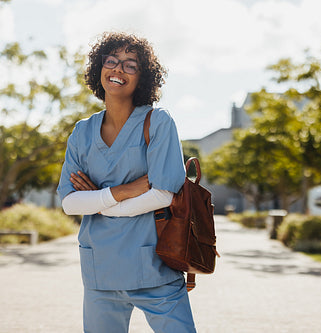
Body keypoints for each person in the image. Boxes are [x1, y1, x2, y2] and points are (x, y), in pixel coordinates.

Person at [57, 32, 196, 333]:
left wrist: (101, 203)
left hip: (154, 267)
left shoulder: (158, 122)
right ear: (99, 69)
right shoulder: (82, 132)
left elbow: (162, 193)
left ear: (142, 78)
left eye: (130, 65)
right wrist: (124, 191)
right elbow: (70, 203)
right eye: (111, 61)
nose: (118, 69)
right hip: (100, 271)